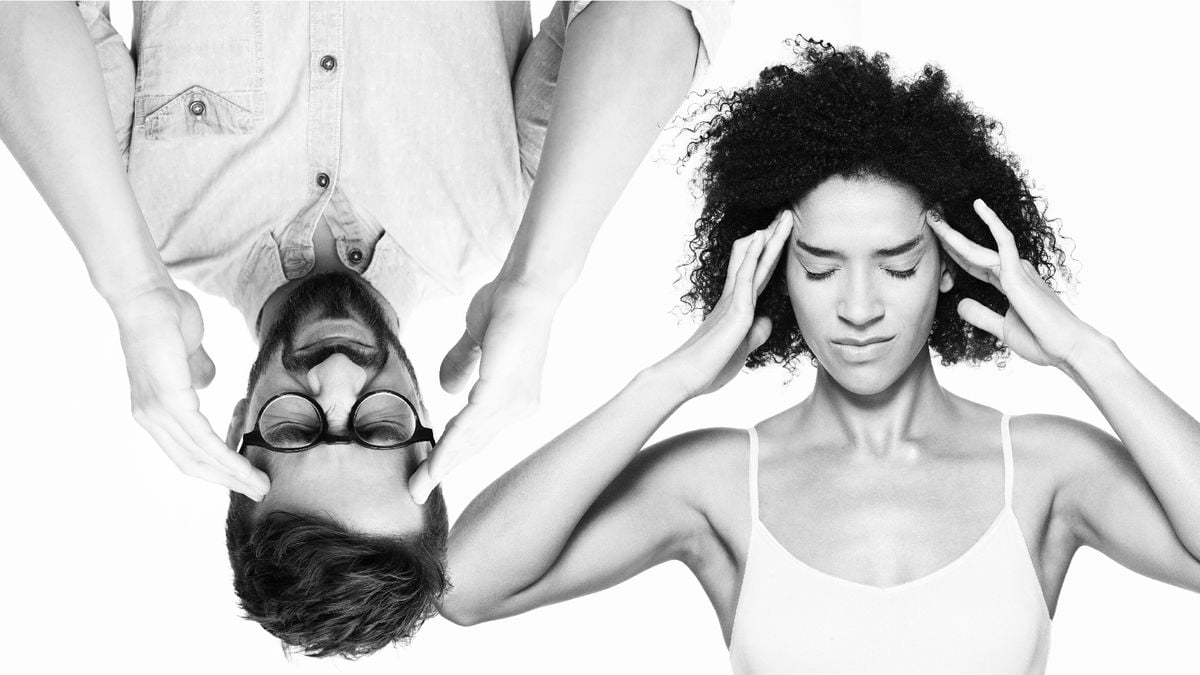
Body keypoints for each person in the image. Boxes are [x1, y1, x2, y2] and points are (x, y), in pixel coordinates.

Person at [440, 42, 1200, 672]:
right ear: (774, 271)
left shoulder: (1043, 470)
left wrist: (1086, 352)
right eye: (822, 266)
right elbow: (462, 584)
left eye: (899, 266)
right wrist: (669, 380)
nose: (860, 307)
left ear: (948, 267)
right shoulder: (719, 484)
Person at [0, 0, 726, 658]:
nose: (337, 377)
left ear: (235, 433)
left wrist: (132, 290)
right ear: (430, 432)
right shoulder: (516, 207)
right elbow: (657, 14)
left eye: (295, 430)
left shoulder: (135, 209)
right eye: (377, 428)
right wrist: (537, 288)